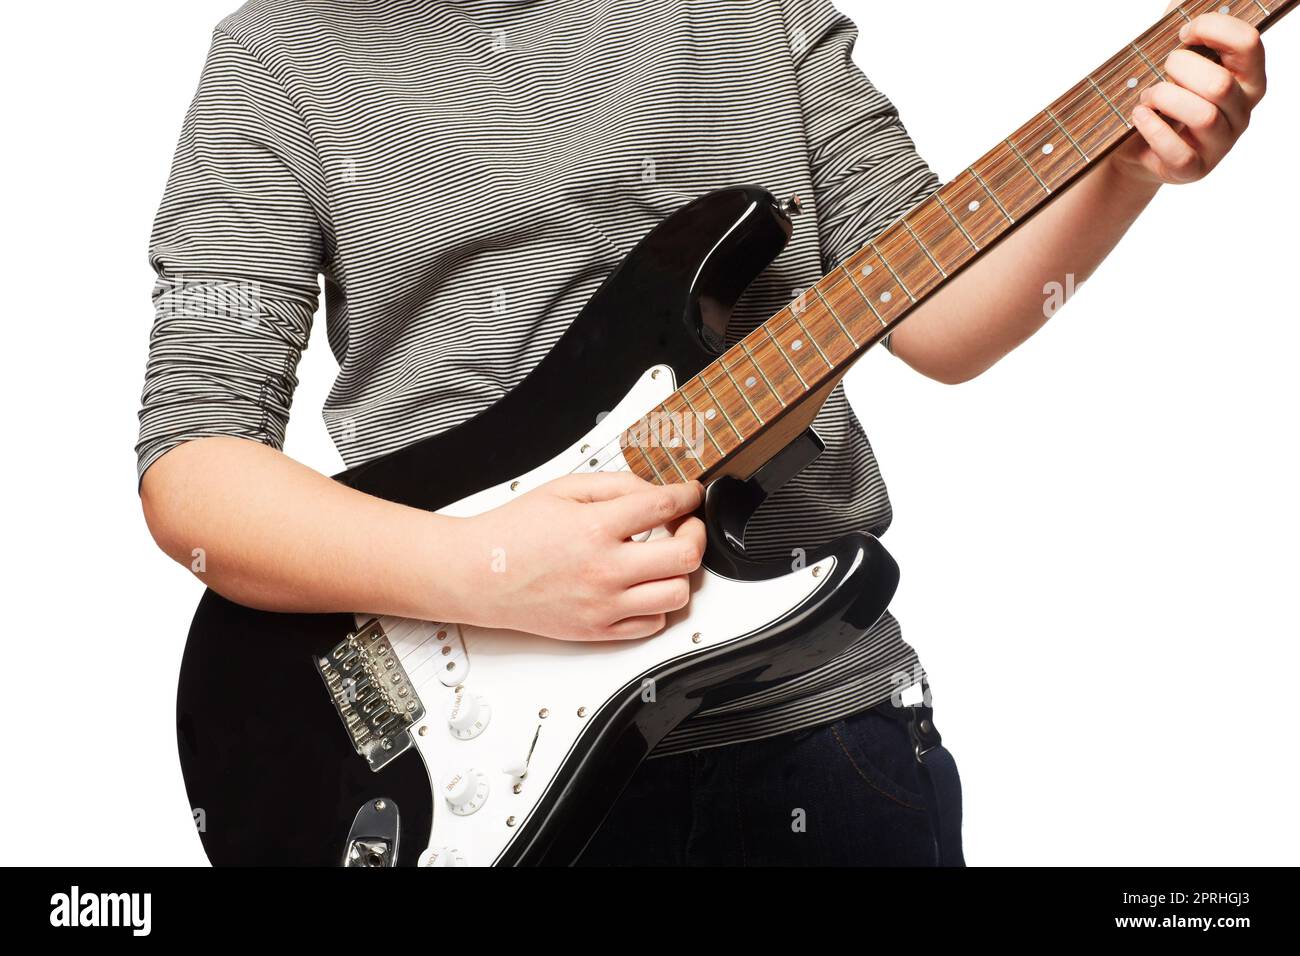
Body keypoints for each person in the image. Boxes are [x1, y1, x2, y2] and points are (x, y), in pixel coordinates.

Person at [138, 0, 1269, 865]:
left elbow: (936, 315)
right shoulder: (273, 57)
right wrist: (486, 571)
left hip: (819, 748)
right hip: (474, 766)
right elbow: (193, 468)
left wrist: (1120, 170)